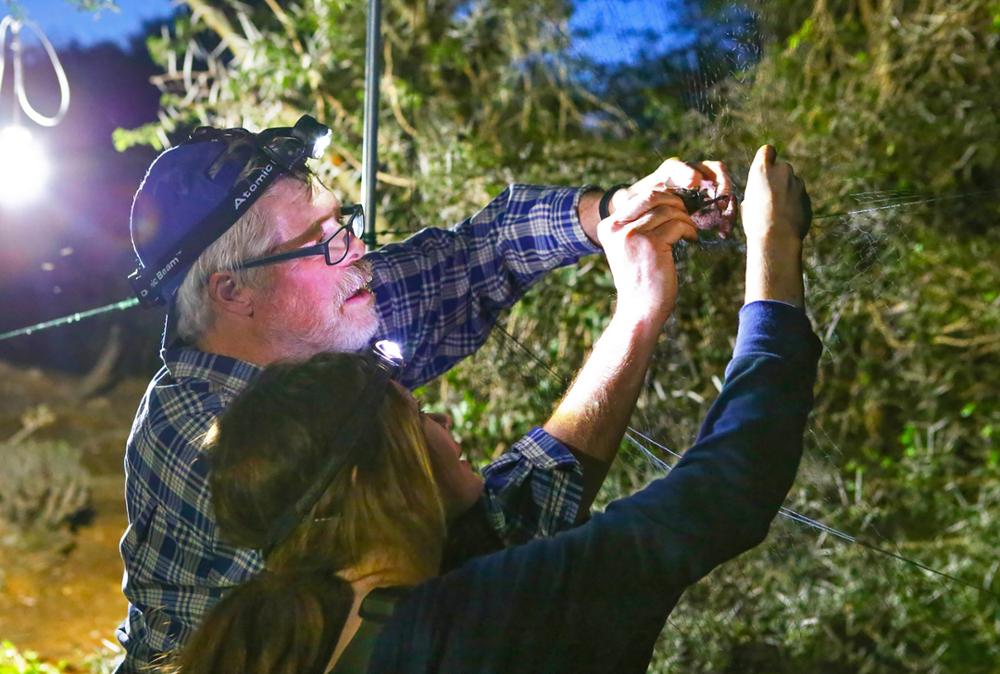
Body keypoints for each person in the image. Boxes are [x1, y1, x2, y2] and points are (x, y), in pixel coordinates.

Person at [115, 113, 734, 670]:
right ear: (233, 292)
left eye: (343, 222)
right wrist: (637, 319)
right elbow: (480, 558)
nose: (356, 250)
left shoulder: (318, 309)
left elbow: (478, 253)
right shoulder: (203, 438)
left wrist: (618, 213)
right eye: (320, 239)